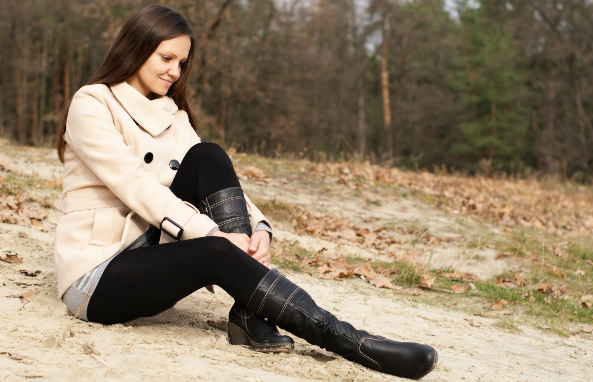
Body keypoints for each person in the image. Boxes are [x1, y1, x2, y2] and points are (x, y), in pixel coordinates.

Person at [54, 4, 437, 380]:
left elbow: (219, 185)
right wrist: (211, 233)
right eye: (166, 58)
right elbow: (135, 184)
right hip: (99, 275)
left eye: (182, 63)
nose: (175, 71)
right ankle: (350, 341)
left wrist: (260, 230)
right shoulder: (92, 103)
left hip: (152, 253)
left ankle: (250, 315)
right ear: (136, 48)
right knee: (214, 249)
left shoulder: (174, 115)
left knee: (208, 156)